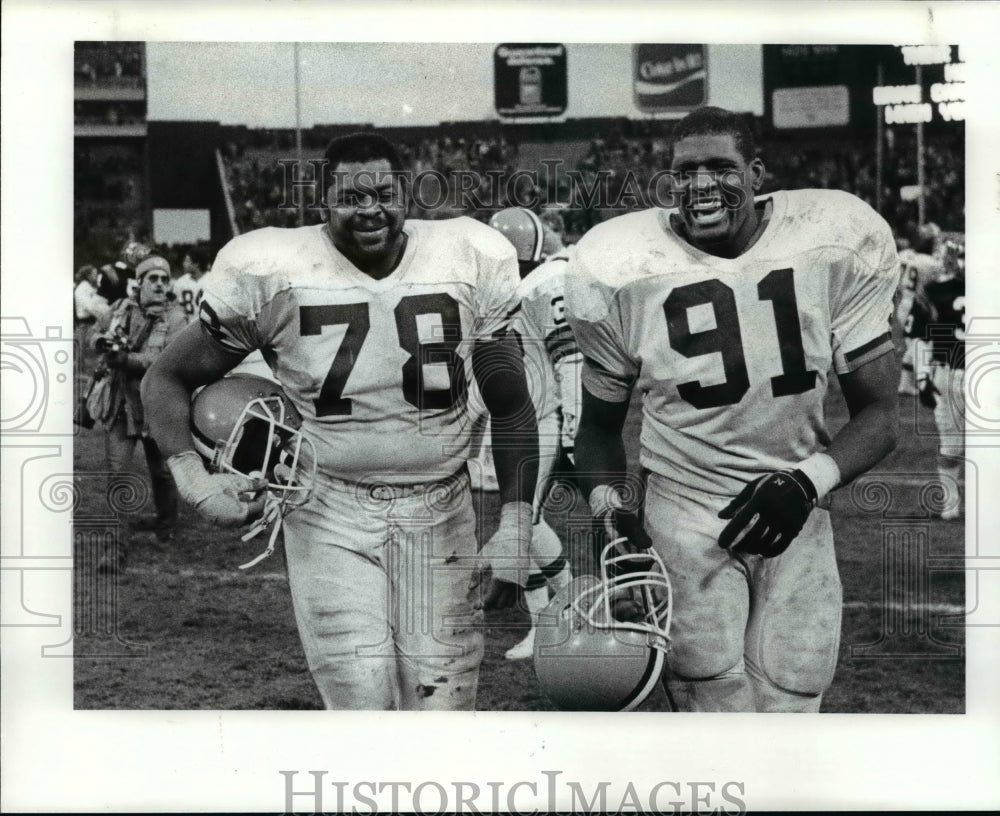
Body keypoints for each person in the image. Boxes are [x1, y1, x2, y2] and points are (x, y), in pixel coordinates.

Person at [142, 132, 539, 711]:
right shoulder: (273, 273)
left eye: (383, 192)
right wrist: (194, 480)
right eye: (351, 197)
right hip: (327, 509)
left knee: (444, 709)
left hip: (442, 509)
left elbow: (509, 400)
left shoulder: (468, 259)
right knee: (360, 701)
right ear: (323, 203)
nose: (370, 209)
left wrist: (517, 523)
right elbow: (164, 379)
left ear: (407, 192)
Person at [565, 106, 901, 712]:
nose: (699, 185)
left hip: (798, 508)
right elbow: (596, 432)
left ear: (756, 172)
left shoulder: (831, 240)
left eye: (719, 167)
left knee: (794, 702)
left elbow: (880, 415)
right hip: (684, 514)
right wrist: (611, 516)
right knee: (709, 710)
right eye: (684, 170)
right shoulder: (619, 266)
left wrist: (807, 483)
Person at [487, 207, 579, 660]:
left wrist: (574, 429)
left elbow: (570, 360)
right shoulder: (530, 284)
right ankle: (562, 603)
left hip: (546, 419)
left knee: (522, 522)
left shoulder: (548, 281)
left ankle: (550, 617)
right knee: (521, 520)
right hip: (524, 418)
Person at [90, 255, 188, 571]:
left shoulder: (177, 317)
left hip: (158, 406)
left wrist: (124, 358)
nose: (160, 284)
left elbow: (164, 362)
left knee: (161, 472)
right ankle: (115, 550)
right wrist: (103, 343)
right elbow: (95, 332)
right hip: (122, 405)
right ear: (140, 283)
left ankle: (167, 527)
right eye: (153, 278)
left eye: (164, 279)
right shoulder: (120, 309)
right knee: (118, 474)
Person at [907, 237, 965, 521]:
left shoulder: (933, 292)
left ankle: (950, 508)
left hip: (948, 371)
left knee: (951, 446)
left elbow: (919, 337)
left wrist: (921, 378)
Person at [74, 263, 111, 352]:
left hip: (90, 323)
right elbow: (91, 307)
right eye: (94, 274)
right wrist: (105, 320)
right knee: (89, 353)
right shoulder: (83, 288)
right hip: (87, 325)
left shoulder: (88, 288)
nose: (96, 276)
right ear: (88, 276)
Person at [171, 246, 208, 323]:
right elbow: (176, 309)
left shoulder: (214, 280)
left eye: (187, 261)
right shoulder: (180, 282)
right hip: (187, 329)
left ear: (196, 264)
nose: (183, 264)